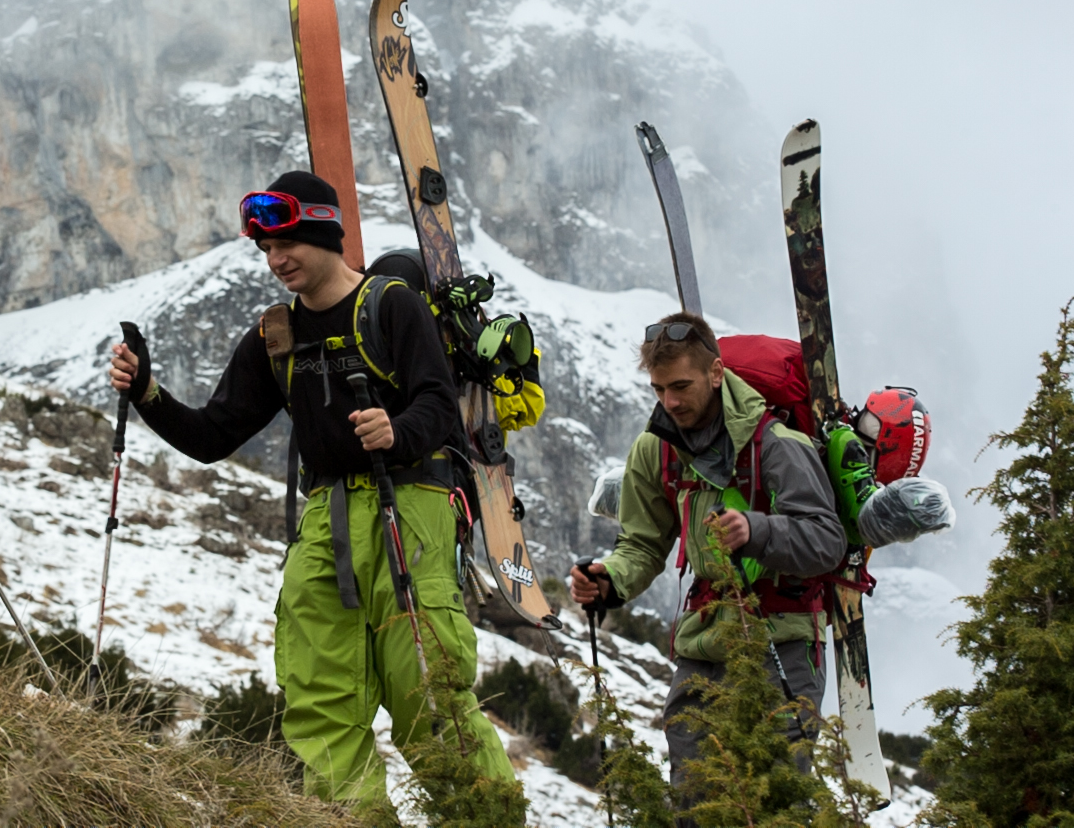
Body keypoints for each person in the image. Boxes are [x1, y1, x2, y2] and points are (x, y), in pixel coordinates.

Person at [108, 170, 515, 812]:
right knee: (319, 704)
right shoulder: (276, 334)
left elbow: (439, 403)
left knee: (426, 697)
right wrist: (146, 393)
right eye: (265, 250)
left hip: (410, 504)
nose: (276, 261)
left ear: (325, 232)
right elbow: (214, 435)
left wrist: (397, 429)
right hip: (326, 521)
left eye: (286, 244)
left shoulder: (390, 303)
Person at [570, 312, 844, 792]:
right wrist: (609, 579)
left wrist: (756, 532)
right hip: (703, 643)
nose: (669, 402)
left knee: (776, 799)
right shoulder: (655, 449)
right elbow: (641, 542)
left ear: (717, 374)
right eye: (658, 389)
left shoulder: (777, 445)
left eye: (680, 386)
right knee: (694, 798)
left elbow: (827, 541)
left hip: (780, 640)